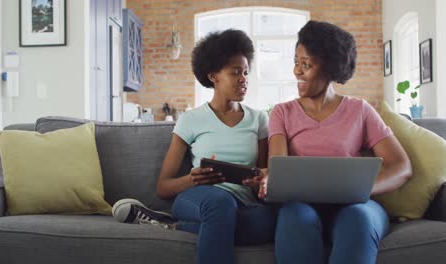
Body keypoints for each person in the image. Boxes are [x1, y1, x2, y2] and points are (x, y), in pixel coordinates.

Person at [113, 29, 277, 264]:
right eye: (235, 72)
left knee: (266, 222)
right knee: (220, 205)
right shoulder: (191, 120)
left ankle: (170, 225)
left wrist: (258, 182)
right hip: (200, 198)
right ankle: (197, 221)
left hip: (243, 204)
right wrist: (194, 179)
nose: (244, 79)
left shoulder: (259, 119)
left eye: (246, 72)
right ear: (213, 76)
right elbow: (163, 187)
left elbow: (261, 180)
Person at [258, 20, 413, 264]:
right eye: (296, 62)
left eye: (306, 64)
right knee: (294, 217)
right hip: (301, 206)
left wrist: (361, 190)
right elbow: (278, 166)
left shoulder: (360, 110)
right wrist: (269, 179)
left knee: (357, 220)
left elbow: (401, 167)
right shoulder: (282, 113)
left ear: (330, 68)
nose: (297, 71)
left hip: (355, 207)